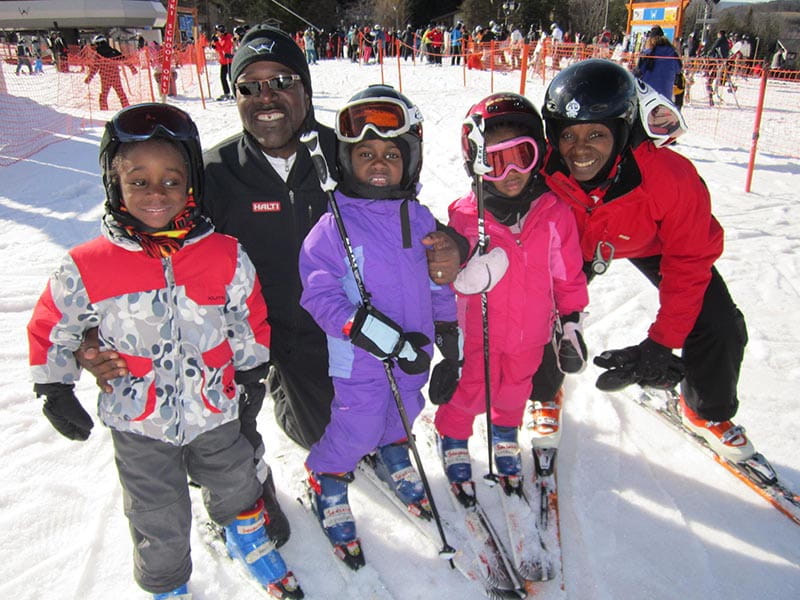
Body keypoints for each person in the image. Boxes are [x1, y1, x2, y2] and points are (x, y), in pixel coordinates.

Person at [76, 23, 465, 545]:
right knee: (307, 431)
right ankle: (245, 483)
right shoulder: (213, 173)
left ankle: (380, 438)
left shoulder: (349, 150)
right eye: (249, 86)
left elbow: (408, 216)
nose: (267, 97)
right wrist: (93, 332)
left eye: (281, 80)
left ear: (304, 88)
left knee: (380, 409)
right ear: (235, 95)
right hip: (262, 334)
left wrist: (452, 247)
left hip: (350, 329)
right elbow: (144, 242)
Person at [26, 103, 302, 600]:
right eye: (139, 181)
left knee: (236, 478)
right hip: (139, 421)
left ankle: (244, 529)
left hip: (214, 407)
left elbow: (248, 315)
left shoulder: (223, 252)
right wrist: (53, 386)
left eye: (171, 181)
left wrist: (251, 372)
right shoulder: (87, 264)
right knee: (155, 510)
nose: (157, 194)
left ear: (192, 183)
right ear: (115, 185)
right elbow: (54, 323)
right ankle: (166, 582)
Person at [534, 58, 753, 464]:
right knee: (536, 309)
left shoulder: (672, 179)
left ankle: (705, 410)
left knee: (720, 324)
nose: (580, 150)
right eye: (568, 136)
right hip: (575, 243)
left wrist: (662, 342)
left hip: (650, 240)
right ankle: (543, 391)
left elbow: (689, 265)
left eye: (597, 134)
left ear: (622, 132)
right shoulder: (542, 170)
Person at [299, 84, 457, 564]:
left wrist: (448, 330)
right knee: (359, 424)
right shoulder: (333, 226)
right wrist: (359, 326)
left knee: (407, 411)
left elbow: (437, 279)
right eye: (365, 153)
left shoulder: (419, 216)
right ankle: (326, 473)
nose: (379, 163)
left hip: (415, 351)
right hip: (361, 358)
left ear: (411, 159)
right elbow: (318, 292)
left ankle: (394, 452)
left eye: (392, 153)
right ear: (347, 161)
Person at [434, 93, 588, 501]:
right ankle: (452, 434)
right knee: (472, 389)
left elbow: (568, 275)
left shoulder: (554, 213)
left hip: (531, 335)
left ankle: (505, 433)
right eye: (497, 160)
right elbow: (447, 276)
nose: (513, 172)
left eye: (523, 154)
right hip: (479, 333)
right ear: (476, 161)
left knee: (516, 387)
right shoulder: (466, 216)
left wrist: (571, 322)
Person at [84, 35, 133, 111]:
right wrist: (132, 68)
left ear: (99, 43)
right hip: (115, 75)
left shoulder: (98, 55)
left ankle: (104, 110)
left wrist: (89, 77)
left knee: (103, 95)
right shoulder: (113, 51)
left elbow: (95, 67)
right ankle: (127, 108)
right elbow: (123, 59)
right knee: (121, 93)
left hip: (105, 77)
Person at [636, 26, 682, 101]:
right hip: (666, 97)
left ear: (650, 39)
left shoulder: (647, 54)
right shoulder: (673, 54)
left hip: (648, 96)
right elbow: (678, 69)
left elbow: (638, 73)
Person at [211, 24, 234, 100]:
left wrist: (217, 42)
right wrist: (214, 45)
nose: (217, 33)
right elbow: (219, 49)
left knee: (231, 78)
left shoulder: (228, 38)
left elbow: (223, 48)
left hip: (228, 61)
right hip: (223, 61)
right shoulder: (221, 38)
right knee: (223, 78)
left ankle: (236, 92)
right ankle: (227, 93)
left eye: (218, 31)